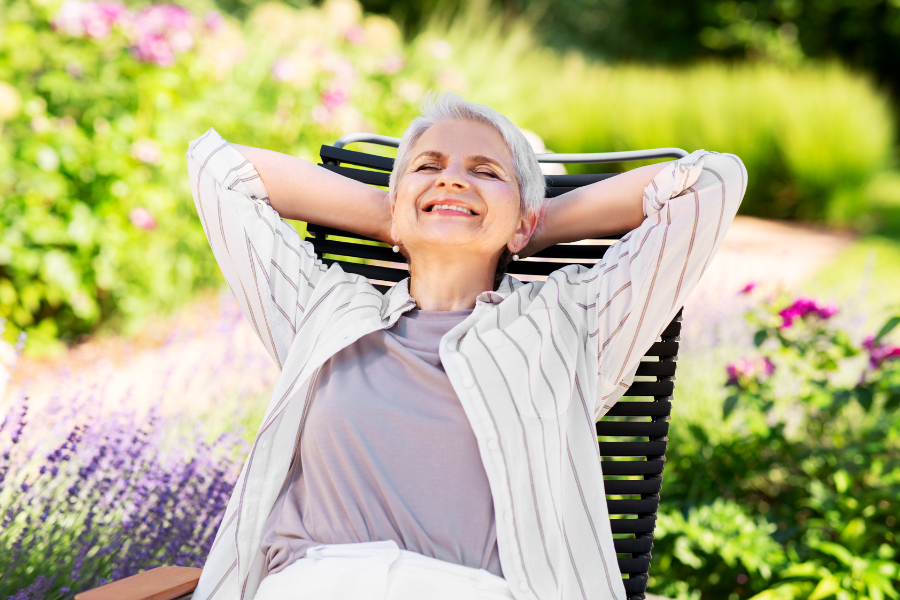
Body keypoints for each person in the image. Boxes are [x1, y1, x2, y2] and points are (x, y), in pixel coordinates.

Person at [184, 92, 747, 600]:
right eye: (429, 167)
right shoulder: (323, 311)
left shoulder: (571, 324)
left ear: (525, 221)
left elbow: (710, 184)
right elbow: (218, 170)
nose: (452, 179)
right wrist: (396, 215)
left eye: (485, 171)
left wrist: (534, 223)